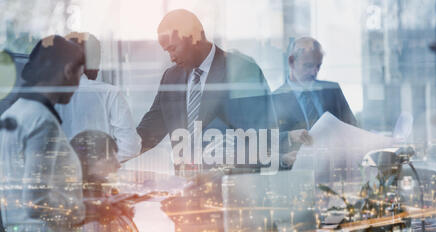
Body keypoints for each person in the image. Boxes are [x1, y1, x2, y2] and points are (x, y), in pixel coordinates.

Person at [137, 9, 277, 173]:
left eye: (173, 48)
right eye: (167, 51)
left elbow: (263, 137)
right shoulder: (171, 77)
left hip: (232, 187)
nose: (171, 57)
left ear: (194, 37)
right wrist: (111, 153)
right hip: (186, 187)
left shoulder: (242, 70)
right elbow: (150, 130)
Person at [0, 35, 87, 232]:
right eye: (79, 75)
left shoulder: (13, 115)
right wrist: (85, 209)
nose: (77, 85)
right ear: (67, 70)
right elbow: (36, 199)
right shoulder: (41, 122)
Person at [70, 130, 180, 232]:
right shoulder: (97, 219)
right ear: (91, 163)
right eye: (111, 157)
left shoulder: (107, 212)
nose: (118, 164)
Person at [55, 32, 141, 163]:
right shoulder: (109, 93)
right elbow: (131, 147)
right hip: (99, 179)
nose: (99, 69)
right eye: (97, 60)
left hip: (56, 178)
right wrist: (97, 164)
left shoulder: (47, 95)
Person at [274, 37, 358, 168]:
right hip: (297, 171)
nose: (314, 72)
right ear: (291, 62)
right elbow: (267, 142)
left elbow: (353, 128)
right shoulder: (275, 99)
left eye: (318, 66)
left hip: (335, 167)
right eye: (308, 66)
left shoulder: (332, 90)